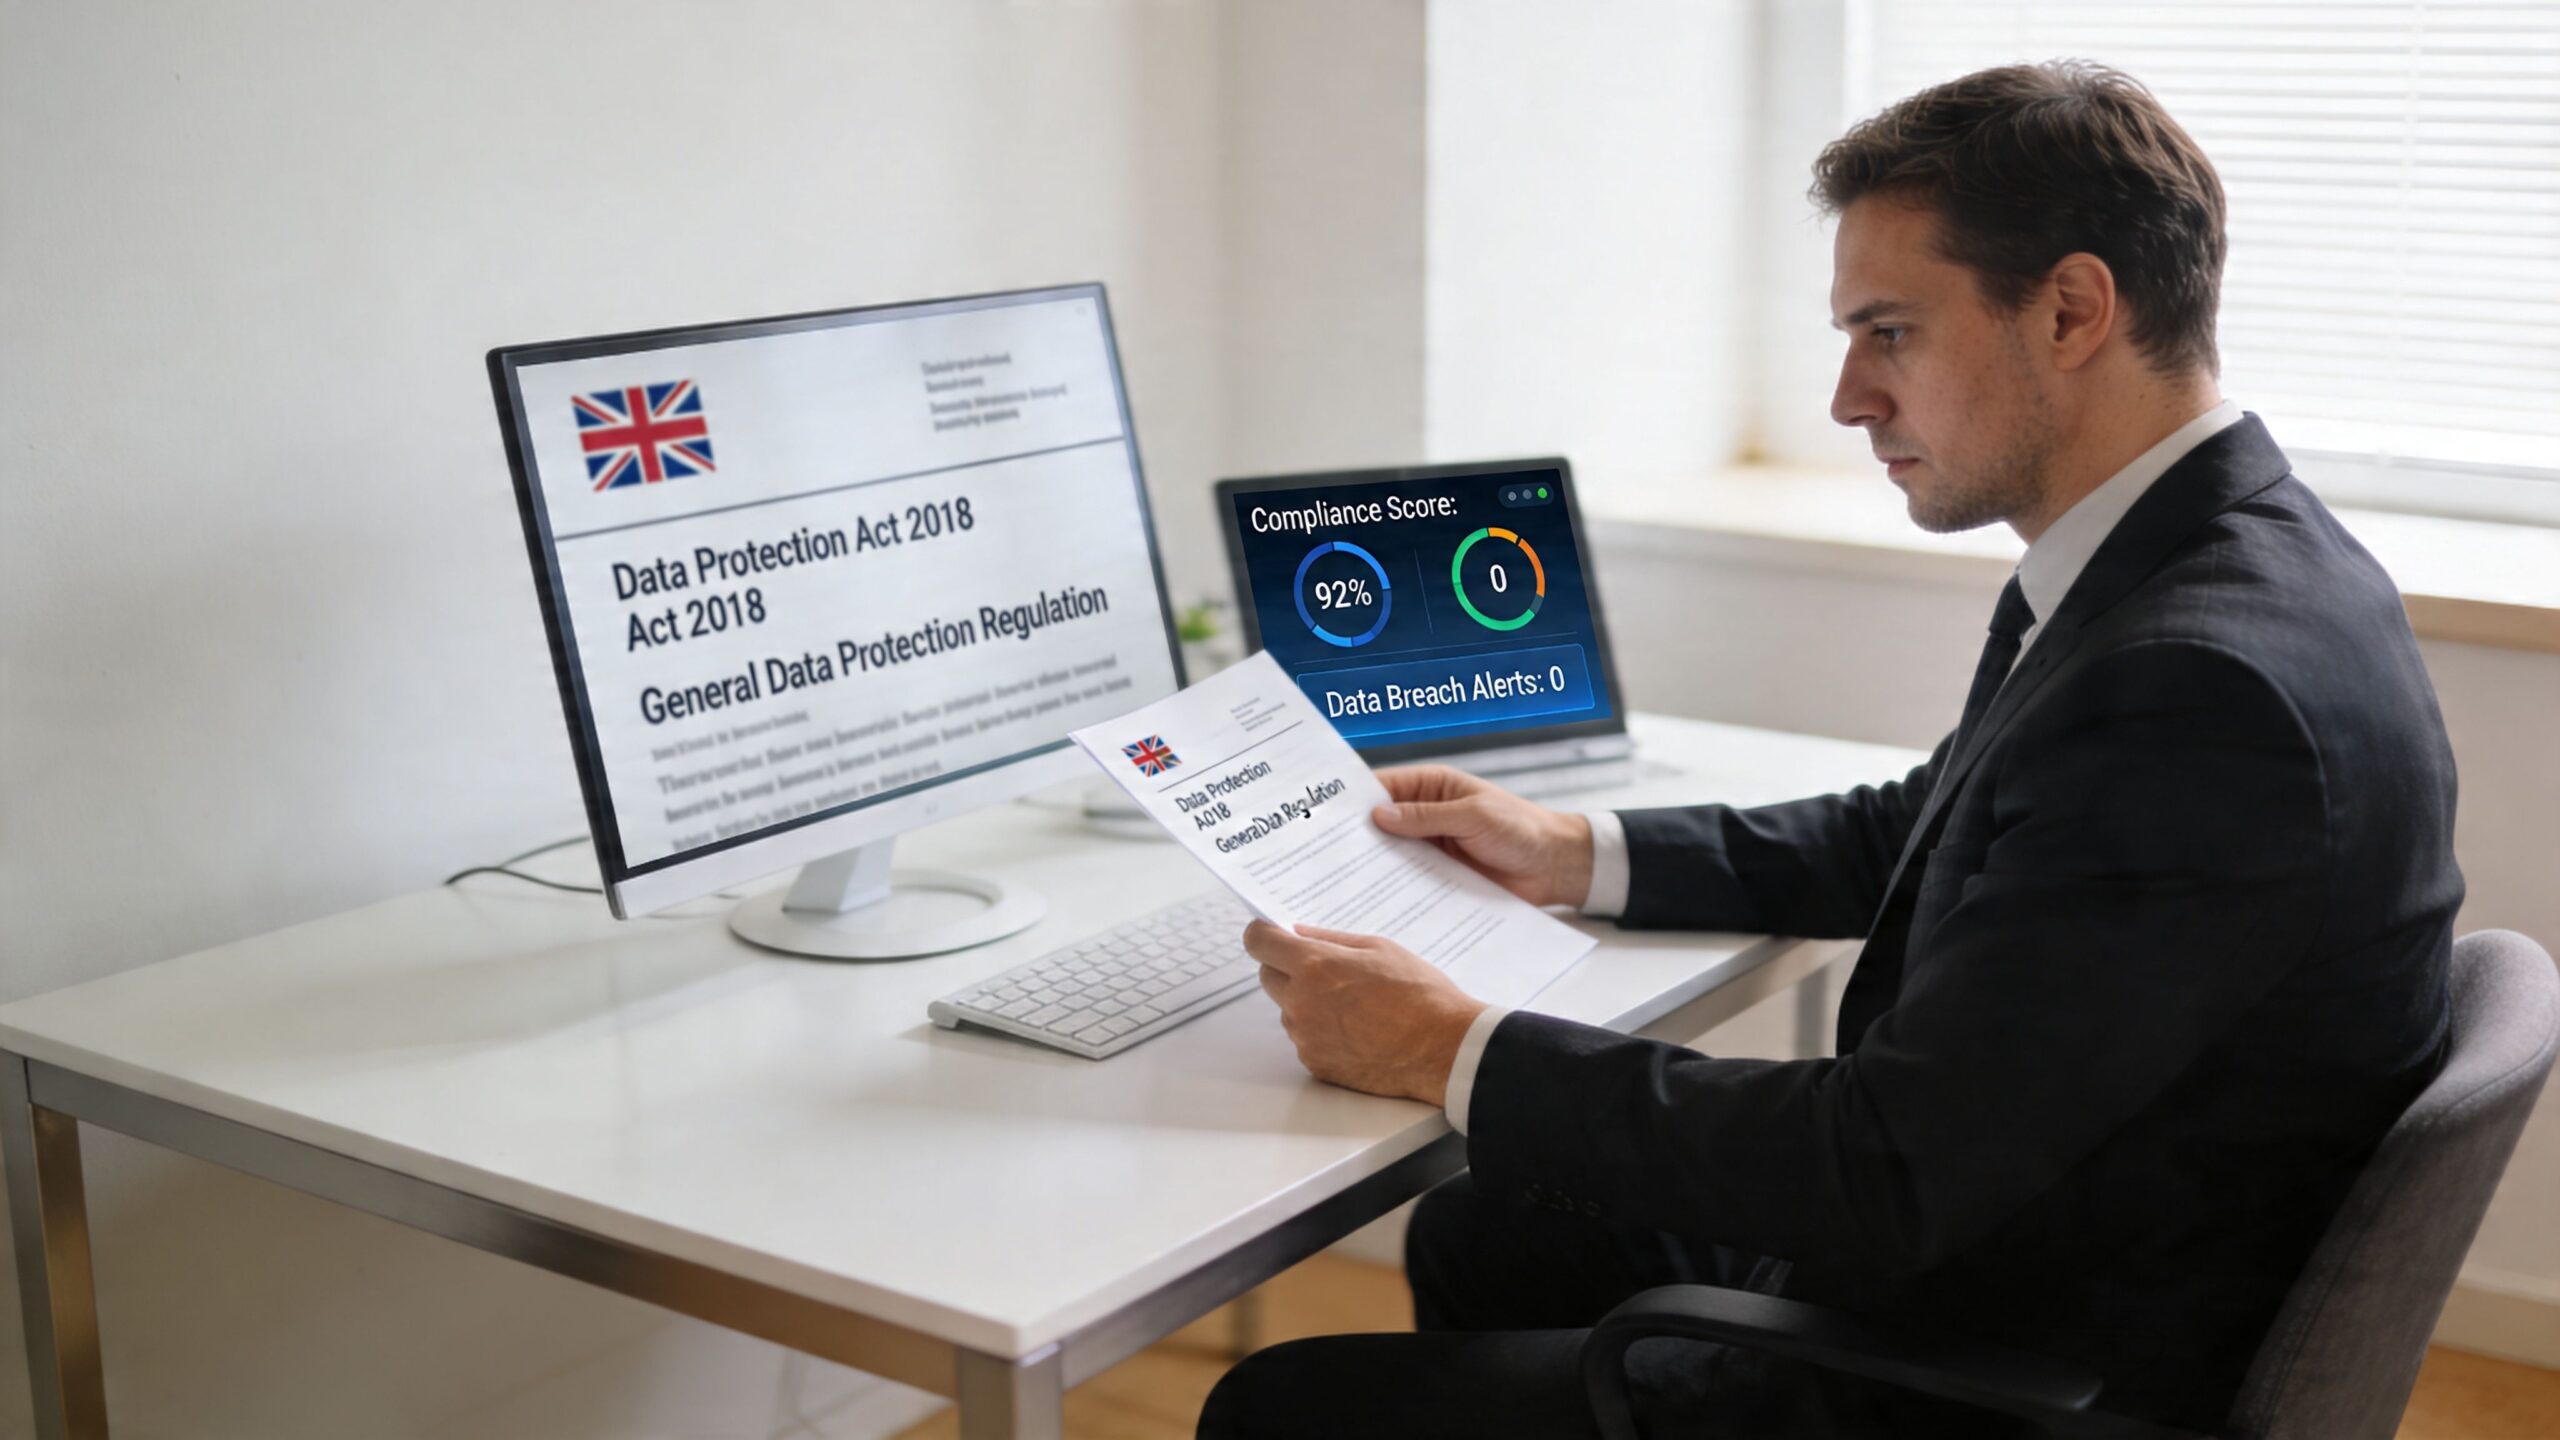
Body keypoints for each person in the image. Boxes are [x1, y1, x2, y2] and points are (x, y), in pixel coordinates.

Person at [1198, 60, 2461, 1439]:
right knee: (1492, 1225)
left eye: (1891, 332)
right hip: (2046, 1238)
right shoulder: (2219, 557)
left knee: (1282, 1405)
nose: (1850, 397)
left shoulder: (2195, 686)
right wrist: (1574, 850)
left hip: (2007, 1367)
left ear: (2071, 310)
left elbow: (1882, 1166)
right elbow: (1928, 831)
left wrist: (1452, 1044)